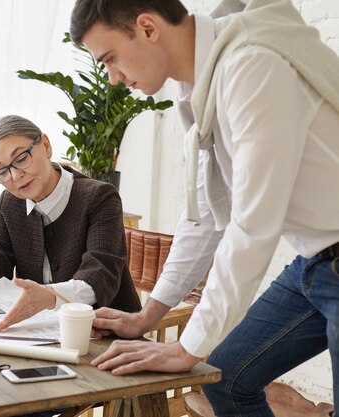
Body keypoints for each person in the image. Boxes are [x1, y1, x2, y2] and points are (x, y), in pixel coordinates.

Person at [69, 0, 339, 415]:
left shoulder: (252, 65)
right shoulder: (198, 84)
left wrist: (186, 348)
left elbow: (252, 226)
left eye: (109, 59)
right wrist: (149, 316)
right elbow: (207, 215)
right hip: (315, 265)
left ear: (147, 28)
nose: (113, 78)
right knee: (227, 378)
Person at [0, 114, 141, 332]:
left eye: (21, 158)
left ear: (46, 146)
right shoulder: (11, 202)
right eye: (2, 171)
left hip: (109, 334)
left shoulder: (99, 197)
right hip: (45, 333)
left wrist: (49, 296)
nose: (15, 175)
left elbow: (100, 275)